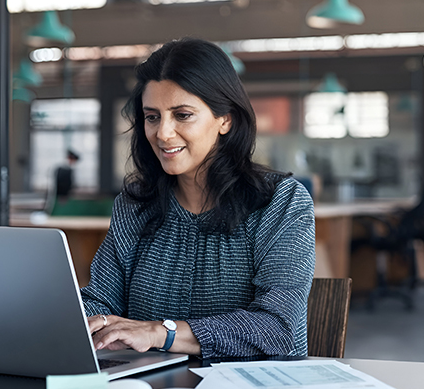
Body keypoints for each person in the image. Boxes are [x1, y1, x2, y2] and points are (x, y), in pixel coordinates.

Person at [80, 38, 315, 358]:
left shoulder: (280, 203)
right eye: (152, 117)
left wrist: (160, 333)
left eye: (182, 115)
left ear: (225, 120)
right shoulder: (135, 206)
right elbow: (101, 300)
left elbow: (279, 329)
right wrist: (96, 320)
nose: (162, 133)